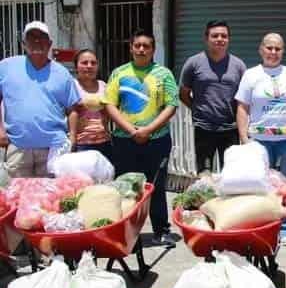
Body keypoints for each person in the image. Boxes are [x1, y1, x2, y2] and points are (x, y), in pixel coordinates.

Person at [103, 29, 179, 247]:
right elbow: (110, 105)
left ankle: (161, 230)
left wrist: (148, 130)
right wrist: (131, 130)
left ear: (153, 49)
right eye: (138, 45)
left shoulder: (164, 74)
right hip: (124, 140)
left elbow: (171, 105)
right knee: (127, 188)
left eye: (146, 46)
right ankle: (127, 232)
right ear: (131, 48)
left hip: (157, 140)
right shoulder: (119, 73)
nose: (142, 49)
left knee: (156, 185)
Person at [235, 33, 286, 245]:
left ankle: (284, 229)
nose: (273, 52)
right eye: (269, 48)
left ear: (283, 51)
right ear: (261, 49)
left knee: (284, 185)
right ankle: (263, 226)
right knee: (260, 185)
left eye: (278, 49)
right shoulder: (251, 75)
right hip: (259, 140)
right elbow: (242, 107)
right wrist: (244, 138)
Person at [0, 21, 81, 177]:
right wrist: (0, 130)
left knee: (50, 197)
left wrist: (72, 138)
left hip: (53, 148)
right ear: (24, 43)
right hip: (18, 147)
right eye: (32, 38)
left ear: (50, 43)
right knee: (18, 196)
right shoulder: (6, 67)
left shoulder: (62, 73)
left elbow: (72, 109)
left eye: (42, 37)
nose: (37, 41)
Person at [179, 20, 246, 173]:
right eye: (215, 36)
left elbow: (244, 99)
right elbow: (183, 94)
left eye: (224, 36)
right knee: (204, 174)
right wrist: (197, 109)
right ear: (206, 38)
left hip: (231, 129)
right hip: (204, 128)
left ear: (229, 39)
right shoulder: (193, 63)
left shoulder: (238, 65)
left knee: (231, 174)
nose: (220, 39)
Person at [68, 49, 112, 161]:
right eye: (84, 63)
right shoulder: (71, 86)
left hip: (104, 143)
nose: (89, 66)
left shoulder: (103, 86)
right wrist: (72, 140)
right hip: (81, 144)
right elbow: (68, 112)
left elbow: (110, 113)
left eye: (93, 63)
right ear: (76, 66)